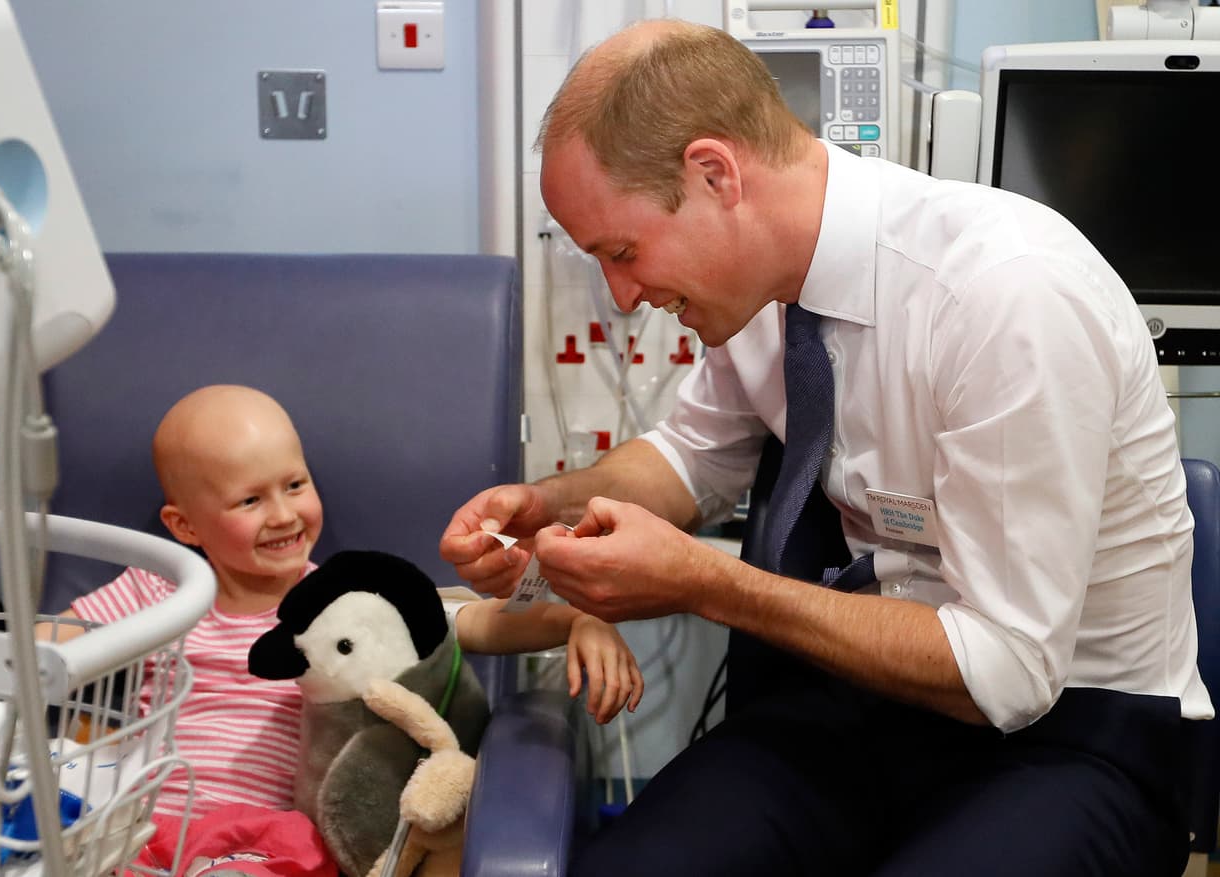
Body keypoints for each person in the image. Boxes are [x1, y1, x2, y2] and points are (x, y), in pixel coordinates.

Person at [438, 18, 1212, 877]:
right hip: (868, 708)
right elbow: (691, 458)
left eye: (623, 252)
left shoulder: (1002, 297)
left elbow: (1008, 670)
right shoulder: (757, 297)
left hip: (1076, 729)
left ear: (714, 175)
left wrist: (708, 584)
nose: (621, 296)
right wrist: (551, 504)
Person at [48, 383, 643, 876]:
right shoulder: (160, 592)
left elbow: (482, 622)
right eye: (250, 500)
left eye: (295, 485)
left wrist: (578, 619)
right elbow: (39, 647)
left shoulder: (350, 599)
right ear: (186, 526)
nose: (283, 514)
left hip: (267, 844)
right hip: (141, 833)